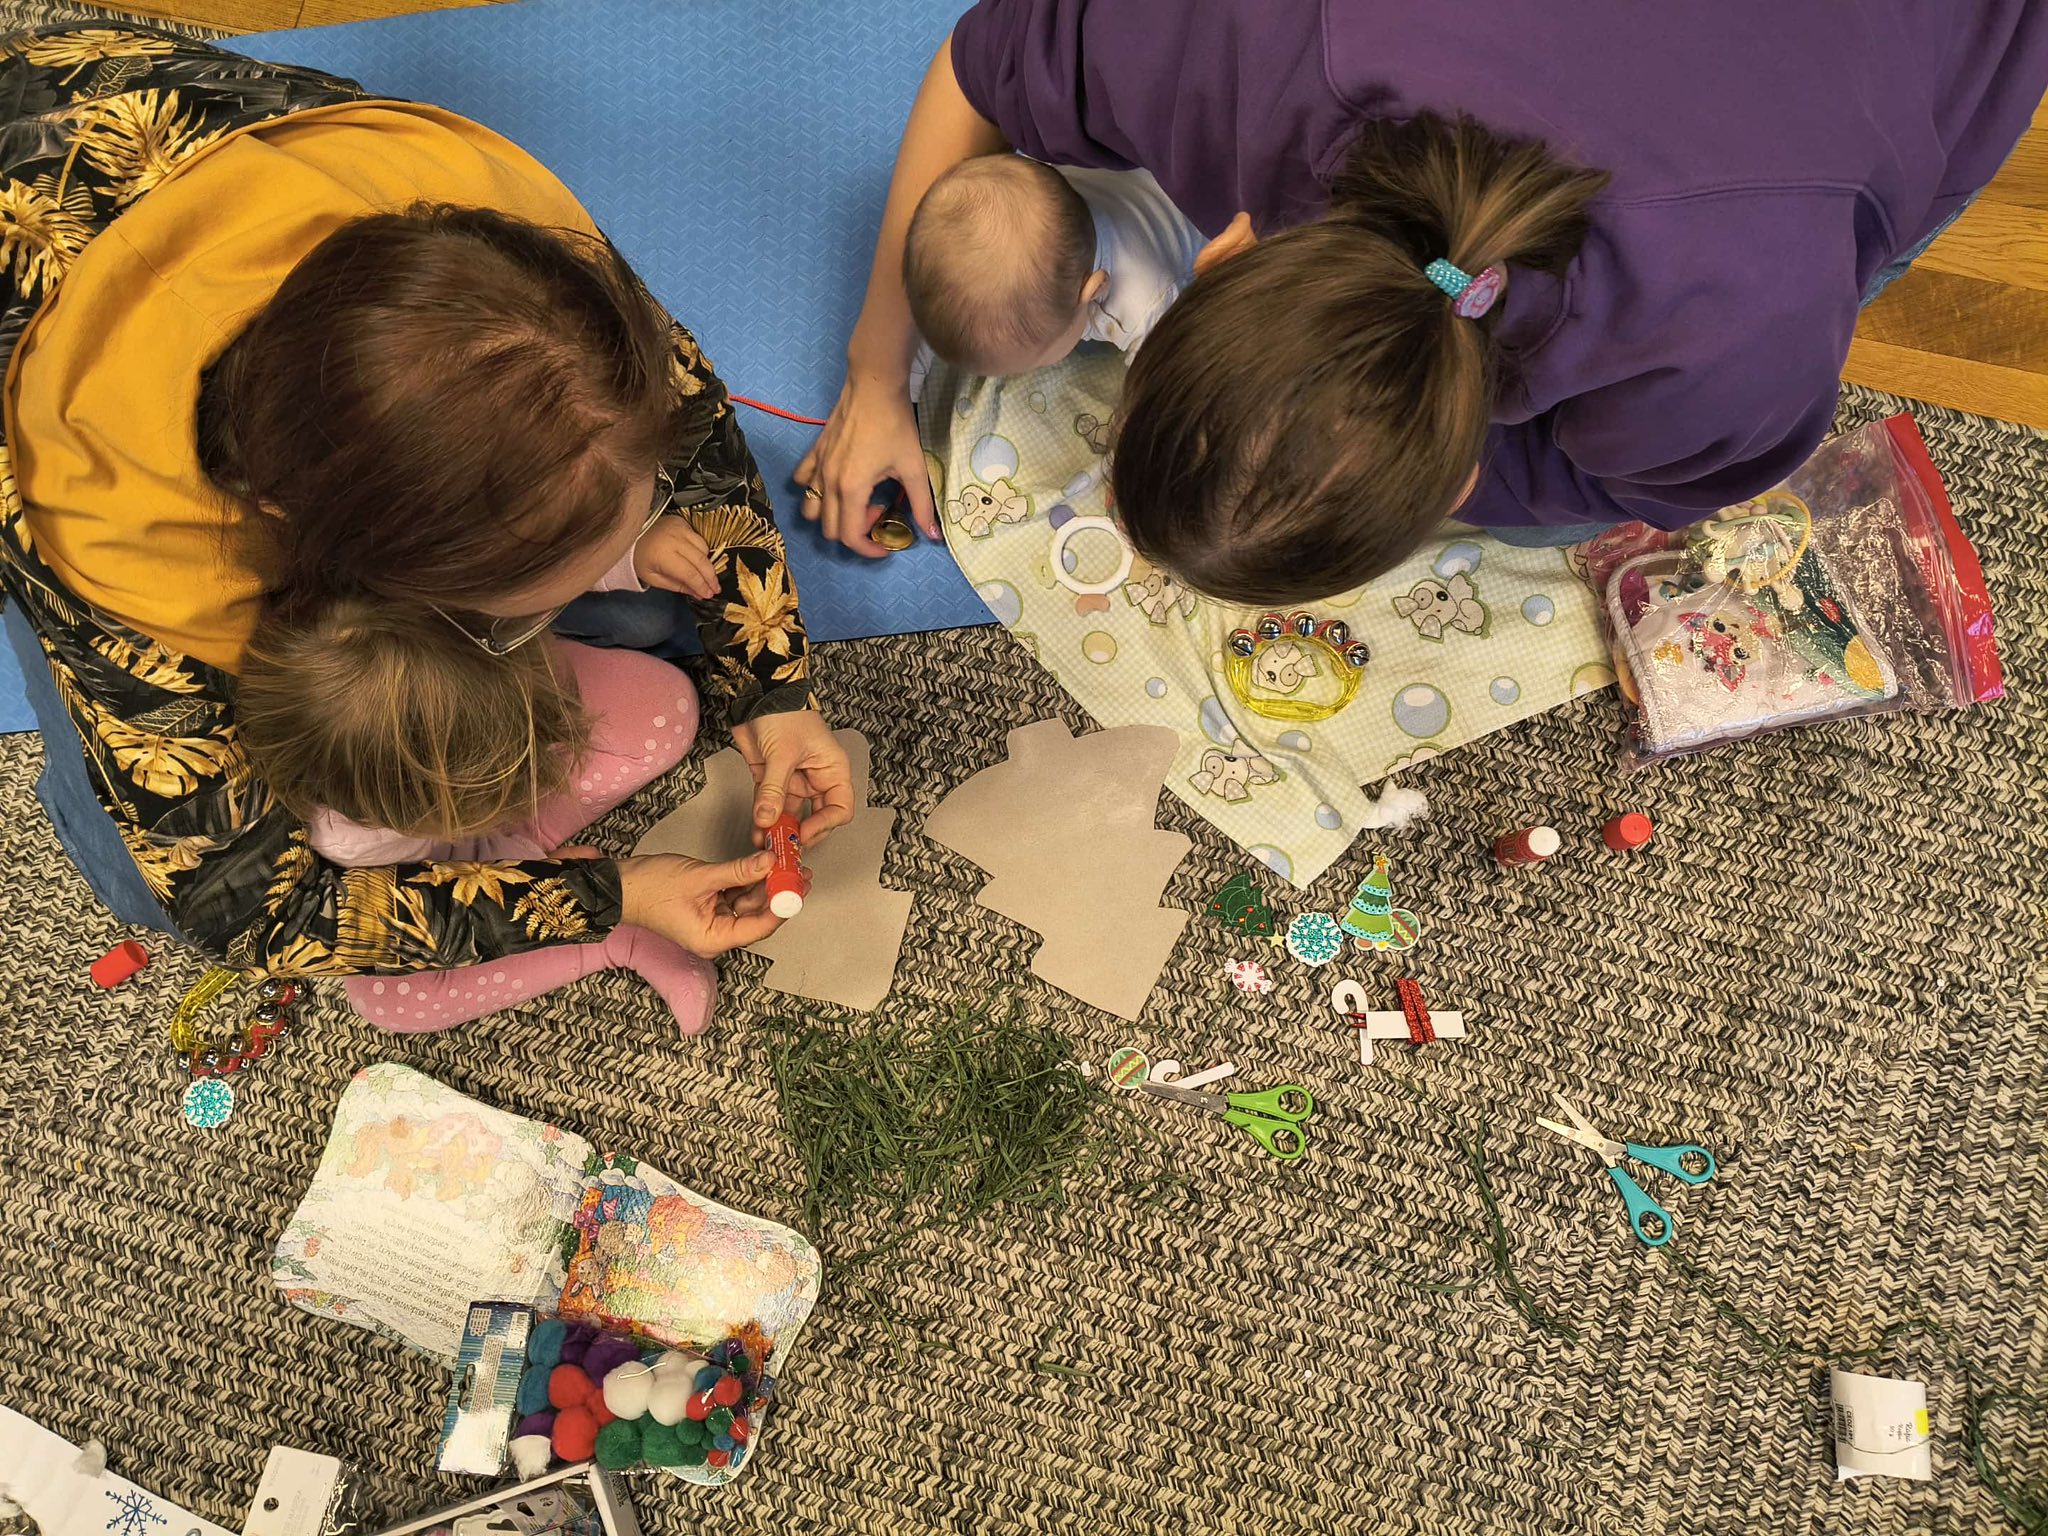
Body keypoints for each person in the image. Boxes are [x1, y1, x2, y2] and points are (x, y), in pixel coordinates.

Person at [0, 28, 853, 988]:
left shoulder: (527, 284)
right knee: (137, 862)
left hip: (174, 134)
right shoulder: (124, 560)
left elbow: (695, 443)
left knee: (654, 601)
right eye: (514, 614)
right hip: (51, 324)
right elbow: (255, 912)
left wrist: (769, 683)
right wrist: (609, 897)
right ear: (353, 572)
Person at [800, 0, 2048, 597]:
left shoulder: (1745, 339)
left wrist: (1481, 491)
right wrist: (875, 372)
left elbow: (1627, 484)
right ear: (1224, 256)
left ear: (1214, 246)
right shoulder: (1231, 46)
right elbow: (979, 59)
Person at [903, 154, 1203, 379]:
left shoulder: (1145, 305)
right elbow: (949, 315)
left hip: (1206, 220)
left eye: (1038, 361)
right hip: (1139, 169)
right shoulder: (1038, 182)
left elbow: (1164, 386)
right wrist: (906, 390)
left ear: (1093, 290)